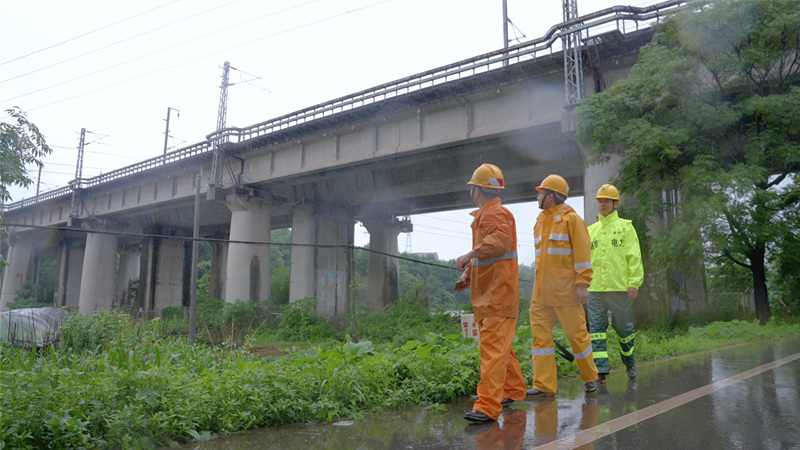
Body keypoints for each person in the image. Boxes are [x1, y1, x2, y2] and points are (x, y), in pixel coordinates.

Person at [456, 163, 527, 423]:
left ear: (477, 190)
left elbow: (499, 243)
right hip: (491, 295)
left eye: (472, 187)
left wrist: (469, 254)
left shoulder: (495, 214)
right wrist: (469, 273)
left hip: (497, 295)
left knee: (493, 352)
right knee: (501, 350)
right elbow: (489, 253)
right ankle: (514, 390)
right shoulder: (487, 215)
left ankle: (486, 406)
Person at [528, 174, 599, 397]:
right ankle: (543, 386)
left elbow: (583, 255)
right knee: (541, 340)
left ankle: (590, 377)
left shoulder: (572, 220)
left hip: (566, 291)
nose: (538, 196)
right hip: (540, 292)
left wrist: (582, 284)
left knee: (577, 336)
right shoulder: (540, 221)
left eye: (541, 192)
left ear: (550, 196)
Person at [587, 184, 644, 383]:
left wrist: (634, 283)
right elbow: (585, 260)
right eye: (600, 201)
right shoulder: (590, 231)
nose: (602, 204)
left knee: (624, 329)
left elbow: (634, 256)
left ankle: (630, 362)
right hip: (595, 288)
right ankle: (600, 371)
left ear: (615, 203)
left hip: (619, 287)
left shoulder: (626, 227)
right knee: (595, 330)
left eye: (606, 201)